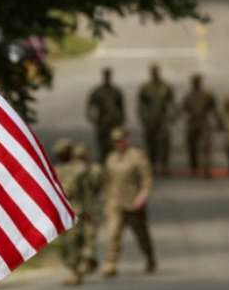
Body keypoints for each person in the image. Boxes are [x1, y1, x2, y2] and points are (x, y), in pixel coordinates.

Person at [101, 127, 156, 277]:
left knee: (141, 234)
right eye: (115, 141)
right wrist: (105, 199)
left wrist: (142, 196)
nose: (118, 143)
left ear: (126, 140)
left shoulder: (136, 156)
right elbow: (107, 180)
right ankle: (110, 264)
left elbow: (147, 178)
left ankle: (149, 257)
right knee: (113, 233)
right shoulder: (111, 158)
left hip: (133, 202)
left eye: (120, 140)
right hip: (115, 202)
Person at [52, 138, 87, 285]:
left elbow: (86, 192)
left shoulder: (80, 169)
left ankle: (75, 271)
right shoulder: (56, 170)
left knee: (73, 241)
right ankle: (73, 267)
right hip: (61, 211)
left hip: (75, 209)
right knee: (63, 245)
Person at [138, 63, 177, 176]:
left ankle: (164, 166)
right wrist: (143, 117)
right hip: (150, 120)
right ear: (151, 73)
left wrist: (172, 116)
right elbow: (141, 104)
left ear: (159, 72)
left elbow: (172, 103)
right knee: (150, 143)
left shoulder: (165, 87)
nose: (154, 73)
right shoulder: (145, 88)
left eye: (156, 71)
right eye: (153, 71)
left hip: (162, 120)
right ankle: (152, 166)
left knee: (164, 143)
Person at [181, 74, 223, 178]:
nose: (196, 83)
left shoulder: (207, 95)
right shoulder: (188, 96)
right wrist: (184, 117)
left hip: (204, 122)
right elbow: (183, 109)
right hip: (192, 122)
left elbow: (214, 108)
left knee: (206, 147)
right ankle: (194, 168)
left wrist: (219, 122)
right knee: (191, 147)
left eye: (198, 81)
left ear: (200, 82)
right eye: (194, 81)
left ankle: (206, 170)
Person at [71, 143, 103, 275]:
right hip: (78, 209)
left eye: (82, 158)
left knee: (90, 236)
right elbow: (70, 189)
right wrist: (77, 175)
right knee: (77, 238)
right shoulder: (72, 171)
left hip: (92, 209)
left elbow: (98, 185)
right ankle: (84, 263)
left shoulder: (95, 170)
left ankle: (87, 262)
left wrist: (88, 173)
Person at [87, 67, 126, 162]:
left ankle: (114, 164)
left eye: (109, 75)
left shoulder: (116, 91)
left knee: (115, 144)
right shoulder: (98, 91)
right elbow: (90, 106)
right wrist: (93, 119)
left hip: (114, 123)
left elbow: (121, 107)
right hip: (102, 123)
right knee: (102, 146)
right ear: (103, 76)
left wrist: (121, 120)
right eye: (106, 75)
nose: (107, 77)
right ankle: (103, 162)